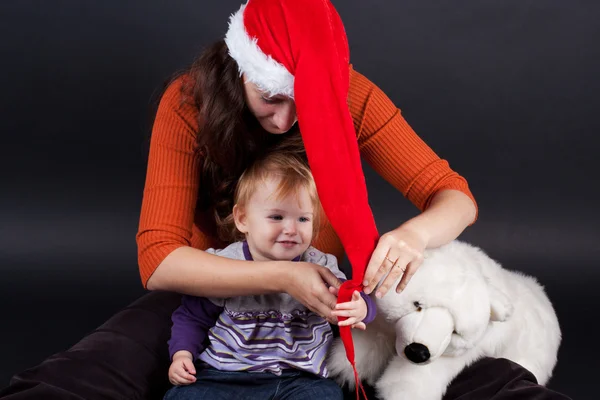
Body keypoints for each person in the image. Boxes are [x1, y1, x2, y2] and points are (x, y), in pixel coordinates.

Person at [0, 1, 572, 399]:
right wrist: (279, 279)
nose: (285, 120)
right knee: (100, 361)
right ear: (242, 68)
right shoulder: (187, 102)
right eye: (272, 98)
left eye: (305, 101)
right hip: (211, 298)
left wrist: (412, 236)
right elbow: (159, 259)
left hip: (326, 305)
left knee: (459, 368)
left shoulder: (353, 96)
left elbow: (456, 198)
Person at [164, 152, 376, 399]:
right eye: (276, 217)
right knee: (184, 396)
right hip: (226, 375)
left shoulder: (320, 265)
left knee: (325, 396)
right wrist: (182, 354)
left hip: (300, 378)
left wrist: (361, 308)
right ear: (243, 219)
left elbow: (352, 299)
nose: (291, 229)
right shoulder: (225, 264)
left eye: (303, 219)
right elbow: (193, 316)